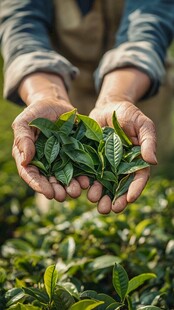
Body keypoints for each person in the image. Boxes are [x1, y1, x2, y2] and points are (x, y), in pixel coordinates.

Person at [0, 0, 174, 214]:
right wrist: (44, 95)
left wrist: (117, 96)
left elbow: (149, 22)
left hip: (137, 82)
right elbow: (21, 28)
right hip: (63, 87)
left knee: (144, 174)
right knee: (59, 198)